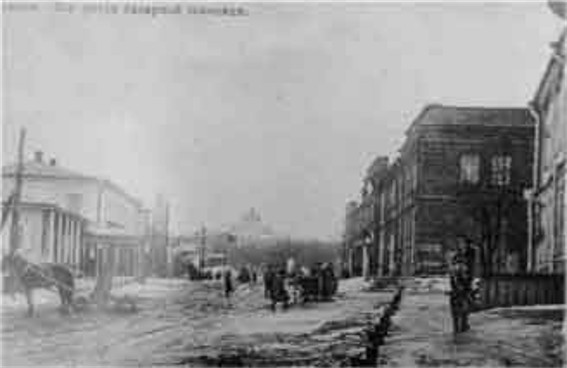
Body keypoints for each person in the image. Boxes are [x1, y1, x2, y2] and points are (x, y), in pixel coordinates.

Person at [448, 236, 475, 334]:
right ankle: (456, 329)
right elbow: (452, 271)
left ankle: (463, 326)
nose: (460, 244)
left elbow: (471, 271)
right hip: (456, 287)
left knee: (464, 309)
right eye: (459, 243)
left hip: (466, 287)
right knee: (455, 309)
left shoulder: (472, 255)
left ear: (467, 244)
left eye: (462, 242)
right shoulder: (456, 256)